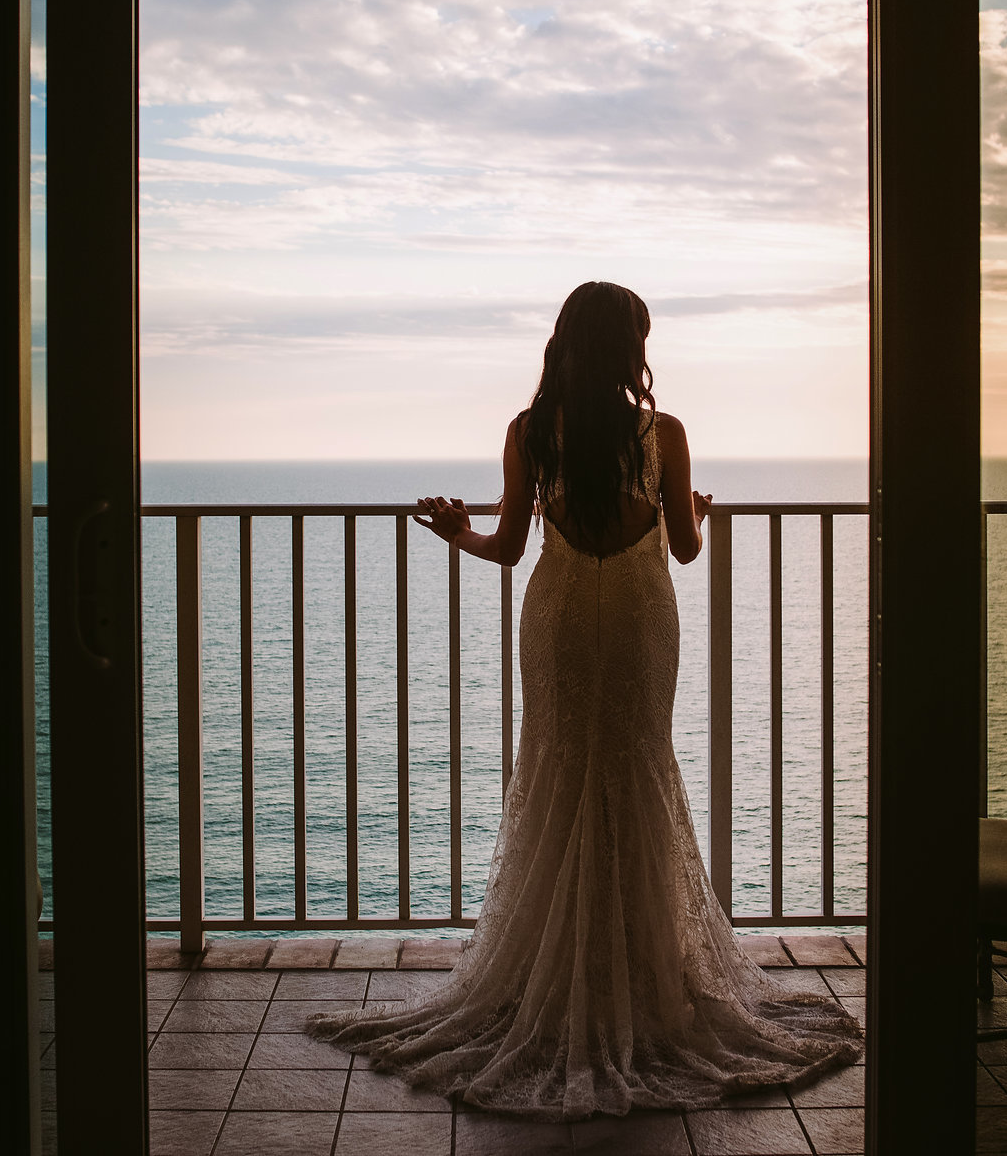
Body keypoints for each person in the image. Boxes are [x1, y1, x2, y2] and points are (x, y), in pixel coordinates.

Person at [303, 281, 863, 1120]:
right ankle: (639, 974)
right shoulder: (664, 434)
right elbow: (684, 548)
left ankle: (553, 971)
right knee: (637, 771)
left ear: (565, 342)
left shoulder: (531, 431)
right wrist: (696, 512)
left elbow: (508, 546)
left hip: (560, 618)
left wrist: (457, 532)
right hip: (639, 618)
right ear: (628, 347)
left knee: (561, 773)